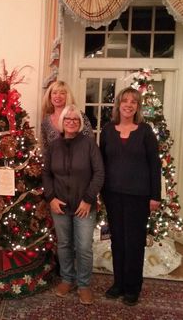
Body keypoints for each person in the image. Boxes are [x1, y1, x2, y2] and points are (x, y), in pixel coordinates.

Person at [100, 87, 161, 306]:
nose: (128, 105)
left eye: (133, 102)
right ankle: (119, 284)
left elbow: (155, 165)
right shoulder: (107, 130)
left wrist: (155, 196)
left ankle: (133, 287)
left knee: (134, 242)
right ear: (118, 105)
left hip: (138, 197)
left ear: (137, 106)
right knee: (117, 241)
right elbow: (101, 163)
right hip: (113, 195)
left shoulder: (145, 131)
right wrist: (100, 192)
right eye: (124, 101)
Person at [42, 104, 104, 305]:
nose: (71, 122)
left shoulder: (89, 144)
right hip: (59, 205)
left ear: (80, 123)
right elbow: (46, 174)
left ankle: (84, 284)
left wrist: (87, 200)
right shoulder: (54, 146)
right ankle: (67, 279)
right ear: (62, 123)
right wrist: (50, 197)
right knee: (65, 244)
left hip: (83, 205)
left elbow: (99, 173)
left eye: (75, 120)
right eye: (67, 119)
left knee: (84, 247)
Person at [41, 80, 93, 153]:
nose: (57, 96)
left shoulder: (79, 116)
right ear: (50, 96)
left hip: (79, 161)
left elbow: (90, 141)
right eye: (54, 93)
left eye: (62, 93)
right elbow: (45, 149)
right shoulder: (46, 122)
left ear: (67, 96)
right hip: (55, 163)